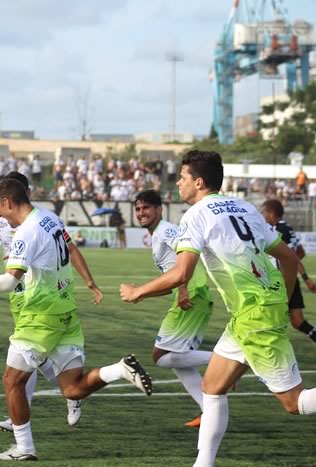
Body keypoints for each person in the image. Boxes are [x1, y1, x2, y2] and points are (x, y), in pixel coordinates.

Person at [120, 150, 316, 467]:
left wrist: (138, 292)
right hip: (253, 313)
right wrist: (280, 300)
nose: (178, 184)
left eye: (182, 177)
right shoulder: (246, 208)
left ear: (198, 181)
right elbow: (290, 260)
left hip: (255, 317)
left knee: (295, 403)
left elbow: (182, 273)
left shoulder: (196, 215)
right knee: (211, 387)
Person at [0, 178, 152, 461]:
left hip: (39, 317)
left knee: (12, 381)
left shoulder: (26, 232)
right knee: (72, 388)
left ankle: (24, 447)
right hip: (65, 313)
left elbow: (7, 282)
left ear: (7, 202)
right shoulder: (49, 219)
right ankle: (119, 370)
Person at [0, 171, 103, 433]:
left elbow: (70, 249)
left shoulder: (40, 221)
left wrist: (90, 280)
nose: (3, 212)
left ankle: (40, 415)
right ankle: (65, 394)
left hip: (38, 293)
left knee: (23, 356)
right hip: (18, 293)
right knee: (31, 356)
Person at [134, 189, 214, 428]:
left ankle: (227, 359)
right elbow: (169, 282)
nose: (141, 213)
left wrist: (182, 287)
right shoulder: (157, 234)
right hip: (193, 296)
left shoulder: (166, 230)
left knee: (160, 356)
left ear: (159, 209)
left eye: (146, 207)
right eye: (138, 209)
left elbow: (186, 256)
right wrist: (142, 293)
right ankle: (207, 411)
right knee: (180, 362)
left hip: (191, 296)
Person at [261, 199, 316, 343]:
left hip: (282, 282)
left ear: (271, 214)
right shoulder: (287, 228)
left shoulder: (279, 231)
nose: (262, 215)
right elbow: (301, 252)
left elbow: (292, 257)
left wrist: (305, 277)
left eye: (263, 212)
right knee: (298, 321)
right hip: (290, 278)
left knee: (271, 320)